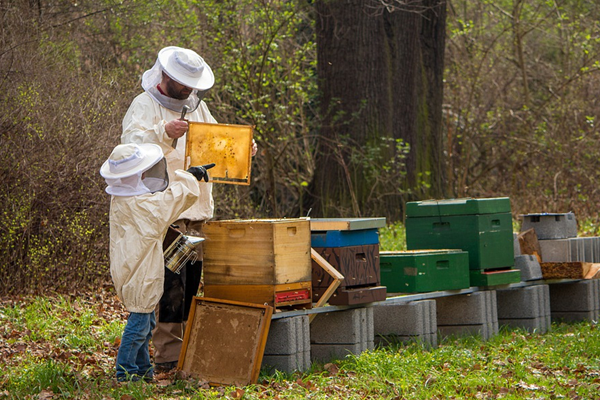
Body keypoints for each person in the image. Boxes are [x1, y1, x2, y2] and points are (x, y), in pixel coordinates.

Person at [121, 46, 257, 371]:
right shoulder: (144, 106)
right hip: (167, 213)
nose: (187, 90)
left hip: (197, 214)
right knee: (172, 285)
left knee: (191, 283)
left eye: (191, 84)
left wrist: (242, 150)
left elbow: (216, 146)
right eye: (182, 83)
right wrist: (163, 133)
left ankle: (186, 353)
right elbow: (128, 150)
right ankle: (168, 357)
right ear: (165, 76)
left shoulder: (198, 106)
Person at [99, 142, 214, 382]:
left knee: (146, 319)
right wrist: (188, 176)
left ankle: (143, 370)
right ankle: (125, 373)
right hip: (139, 272)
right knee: (140, 322)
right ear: (135, 175)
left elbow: (158, 200)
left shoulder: (124, 200)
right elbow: (169, 202)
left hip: (133, 266)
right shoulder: (141, 207)